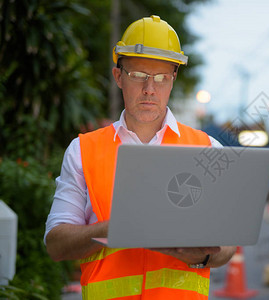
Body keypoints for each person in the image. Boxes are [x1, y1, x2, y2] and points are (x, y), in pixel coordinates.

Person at [45, 15, 236, 299]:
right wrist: (110, 230)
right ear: (119, 77)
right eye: (138, 76)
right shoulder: (83, 150)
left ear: (173, 80)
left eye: (160, 78)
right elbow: (56, 244)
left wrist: (201, 256)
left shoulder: (206, 148)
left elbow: (228, 246)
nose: (149, 89)